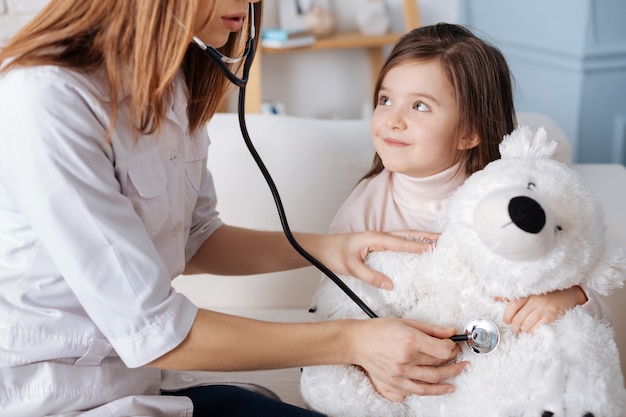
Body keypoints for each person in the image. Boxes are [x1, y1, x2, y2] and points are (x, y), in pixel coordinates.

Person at [0, 1, 472, 416]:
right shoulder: (45, 98)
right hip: (51, 397)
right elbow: (157, 332)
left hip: (140, 386)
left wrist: (328, 249)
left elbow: (195, 238)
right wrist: (352, 342)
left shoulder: (172, 84)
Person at [307, 22, 610, 402]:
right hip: (418, 383)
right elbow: (333, 307)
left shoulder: (511, 197)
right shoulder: (366, 205)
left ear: (469, 132)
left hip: (498, 382)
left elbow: (594, 298)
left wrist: (570, 298)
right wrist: (367, 367)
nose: (393, 119)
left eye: (419, 106)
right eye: (385, 100)